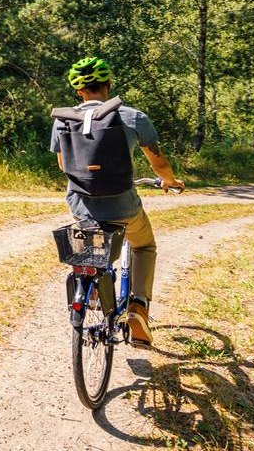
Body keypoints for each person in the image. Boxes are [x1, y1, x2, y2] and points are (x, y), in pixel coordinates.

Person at [50, 56, 184, 347]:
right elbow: (157, 160)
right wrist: (170, 181)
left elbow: (63, 165)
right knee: (144, 245)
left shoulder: (63, 119)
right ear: (108, 84)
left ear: (78, 91)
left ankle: (94, 287)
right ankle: (137, 306)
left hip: (82, 205)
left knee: (95, 244)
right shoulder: (132, 116)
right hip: (124, 205)